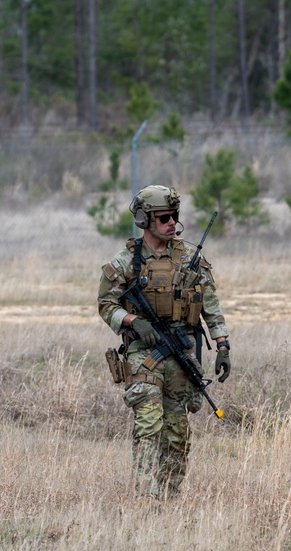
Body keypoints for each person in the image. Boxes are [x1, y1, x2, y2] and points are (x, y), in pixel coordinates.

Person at [98, 184, 231, 500]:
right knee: (149, 425)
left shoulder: (189, 258)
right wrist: (133, 321)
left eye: (175, 216)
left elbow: (210, 304)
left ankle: (169, 498)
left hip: (181, 351)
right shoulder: (125, 262)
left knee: (177, 432)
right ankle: (147, 499)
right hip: (143, 354)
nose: (172, 223)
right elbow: (106, 304)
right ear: (145, 220)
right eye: (164, 218)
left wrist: (222, 345)